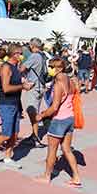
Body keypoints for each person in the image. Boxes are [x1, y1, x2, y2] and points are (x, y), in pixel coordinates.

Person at [0, 44, 34, 170]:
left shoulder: (16, 67)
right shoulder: (6, 67)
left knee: (15, 134)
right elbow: (5, 88)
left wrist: (24, 83)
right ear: (14, 54)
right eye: (20, 53)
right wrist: (23, 87)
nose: (22, 56)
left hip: (15, 103)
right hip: (6, 105)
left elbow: (15, 83)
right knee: (6, 134)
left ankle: (8, 157)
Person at [34, 57, 82, 187]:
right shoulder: (71, 81)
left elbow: (55, 107)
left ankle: (47, 176)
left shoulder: (58, 84)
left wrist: (42, 115)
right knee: (66, 149)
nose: (49, 69)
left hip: (59, 119)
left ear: (59, 68)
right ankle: (76, 177)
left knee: (52, 150)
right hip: (70, 118)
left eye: (51, 67)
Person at [19, 38, 47, 147]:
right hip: (40, 86)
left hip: (33, 86)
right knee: (34, 109)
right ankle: (33, 134)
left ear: (32, 45)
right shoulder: (43, 55)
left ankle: (35, 137)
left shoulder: (34, 56)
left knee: (32, 110)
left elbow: (22, 68)